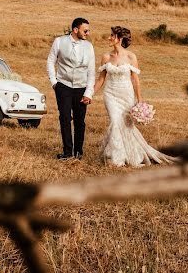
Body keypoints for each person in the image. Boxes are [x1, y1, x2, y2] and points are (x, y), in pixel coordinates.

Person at [94, 26, 178, 167]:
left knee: (126, 126)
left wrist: (140, 101)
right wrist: (89, 95)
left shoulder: (131, 57)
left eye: (112, 36)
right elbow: (101, 80)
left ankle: (133, 155)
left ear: (119, 39)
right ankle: (115, 157)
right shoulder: (106, 57)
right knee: (115, 121)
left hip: (126, 95)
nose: (109, 38)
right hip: (110, 94)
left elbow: (135, 80)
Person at [47, 17, 95, 160]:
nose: (87, 33)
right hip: (63, 86)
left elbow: (91, 72)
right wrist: (54, 82)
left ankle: (78, 152)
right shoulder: (59, 42)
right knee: (65, 118)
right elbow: (50, 61)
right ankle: (67, 152)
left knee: (80, 121)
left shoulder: (89, 47)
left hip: (81, 88)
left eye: (88, 30)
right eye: (85, 30)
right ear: (75, 30)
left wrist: (89, 93)